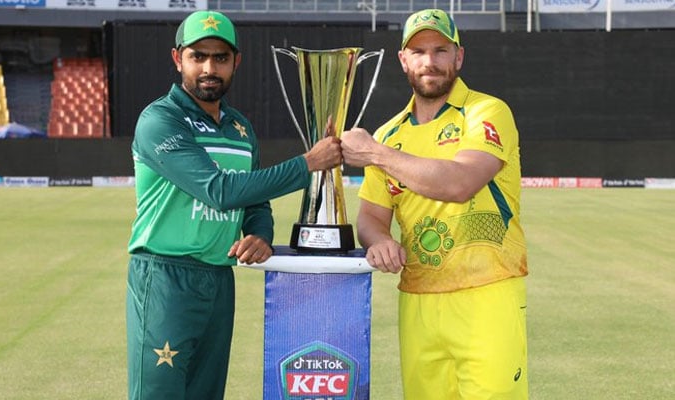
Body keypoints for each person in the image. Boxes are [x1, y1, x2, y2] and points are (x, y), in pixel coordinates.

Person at [125, 10, 342, 400]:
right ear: (178, 59)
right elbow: (219, 191)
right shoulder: (161, 120)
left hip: (219, 281)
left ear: (236, 62)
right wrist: (308, 164)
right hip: (165, 277)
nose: (209, 68)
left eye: (220, 58)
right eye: (198, 57)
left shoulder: (240, 128)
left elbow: (254, 201)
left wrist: (260, 233)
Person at [341, 9, 529, 400]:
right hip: (418, 299)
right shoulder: (389, 133)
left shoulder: (486, 112)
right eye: (419, 51)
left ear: (458, 57)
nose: (430, 61)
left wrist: (377, 154)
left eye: (441, 50)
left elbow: (460, 183)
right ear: (403, 60)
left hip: (486, 292)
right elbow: (372, 217)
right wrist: (378, 240)